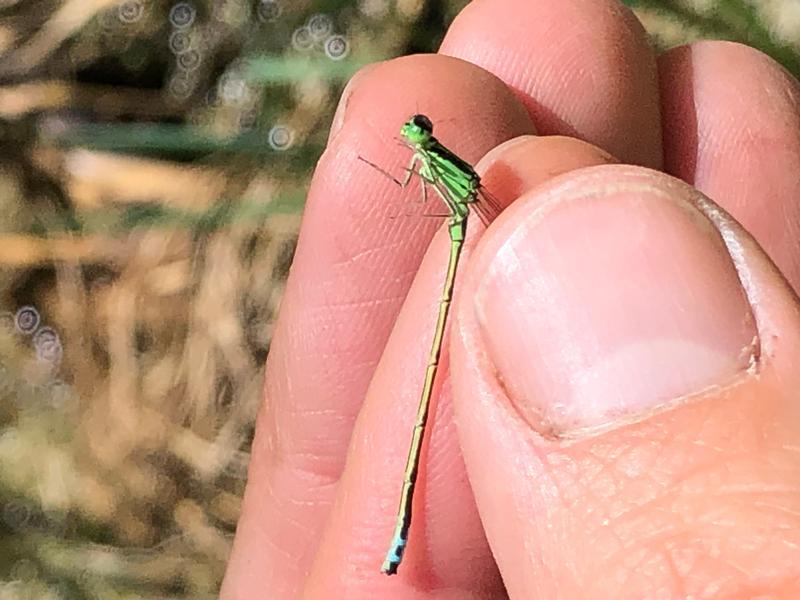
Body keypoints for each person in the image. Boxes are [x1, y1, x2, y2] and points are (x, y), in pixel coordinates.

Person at [222, 0, 800, 596]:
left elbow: (431, 192)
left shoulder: (436, 167)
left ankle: (401, 533)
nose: (411, 135)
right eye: (416, 132)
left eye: (417, 131)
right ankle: (400, 536)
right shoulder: (429, 161)